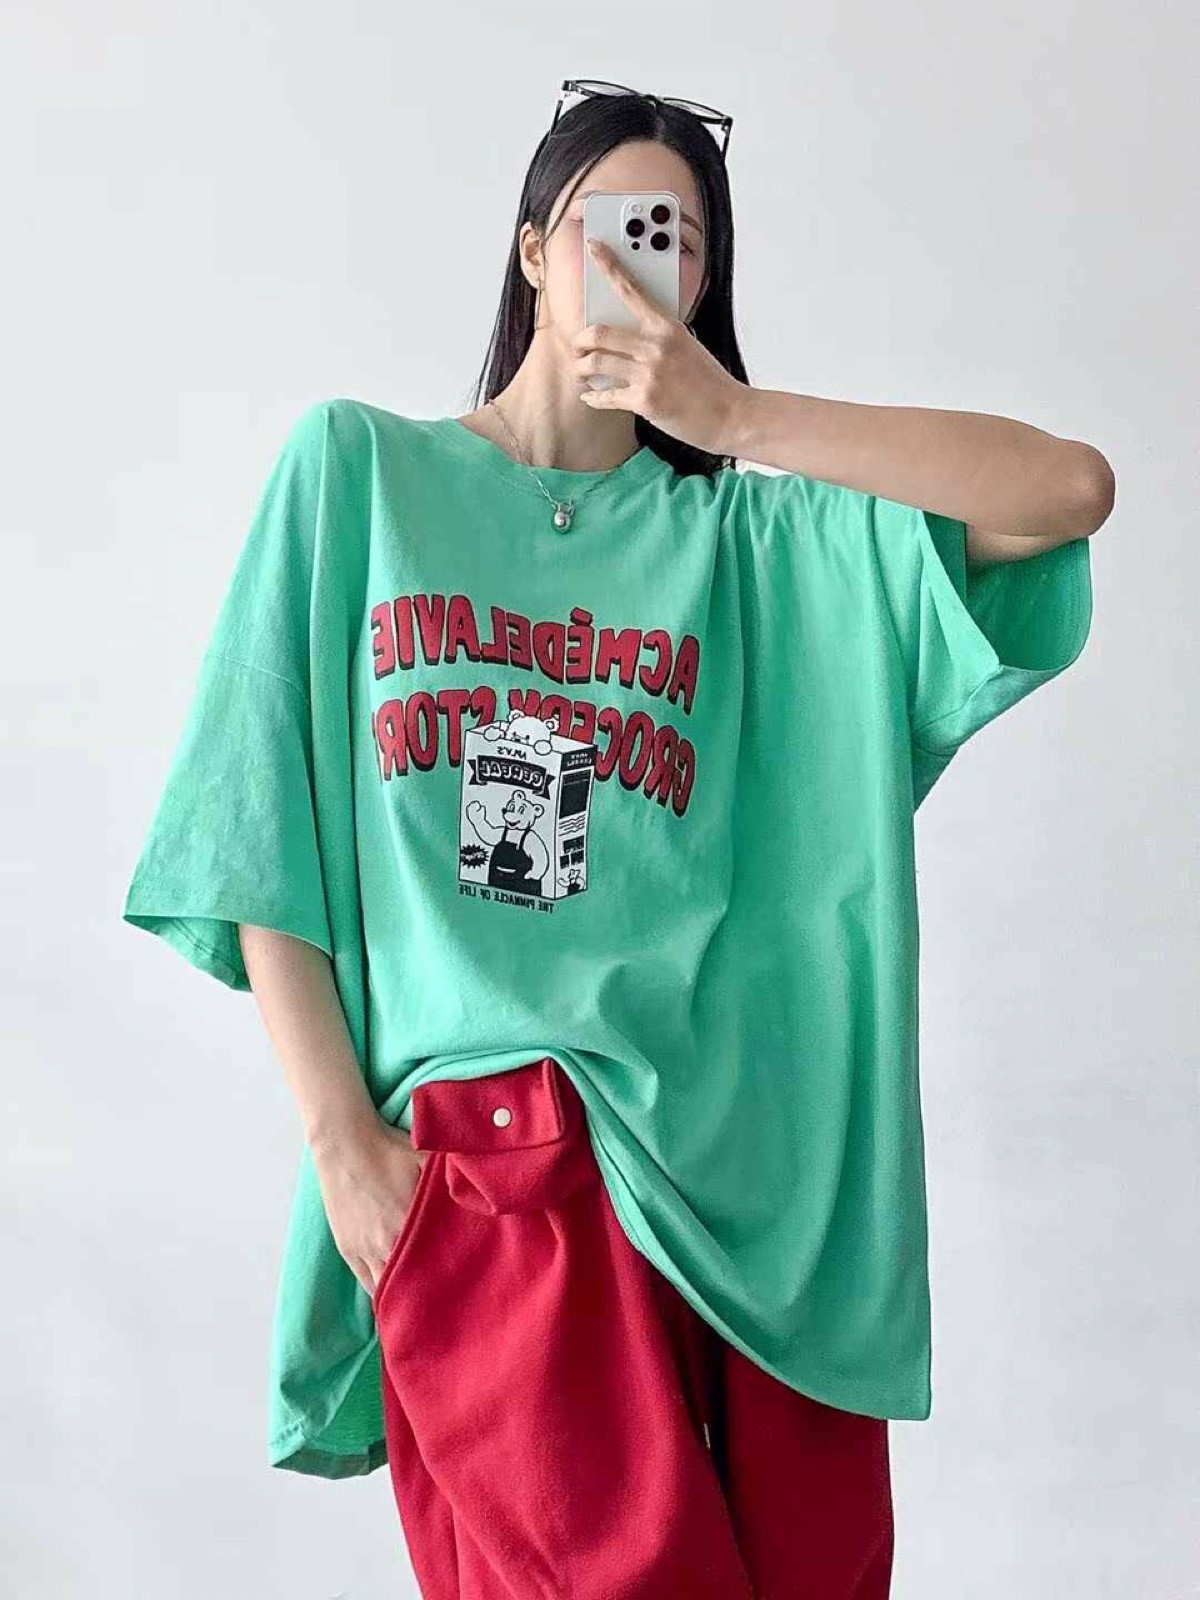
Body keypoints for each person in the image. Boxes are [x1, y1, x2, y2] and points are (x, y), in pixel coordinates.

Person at [121, 80, 1113, 1599]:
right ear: (532, 246)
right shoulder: (363, 476)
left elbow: (1068, 492)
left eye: (684, 242)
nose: (648, 262)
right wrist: (344, 1151)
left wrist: (736, 422)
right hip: (497, 1166)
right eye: (615, 225)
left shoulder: (750, 544)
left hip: (762, 1192)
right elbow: (262, 823)